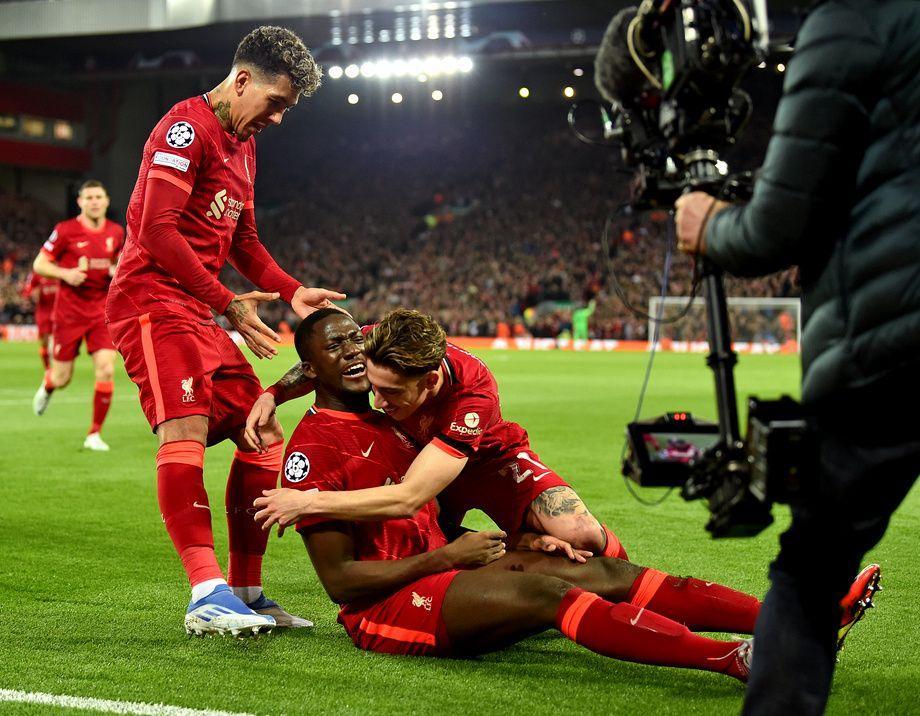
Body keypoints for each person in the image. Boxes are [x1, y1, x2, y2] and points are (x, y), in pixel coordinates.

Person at [266, 309, 876, 675]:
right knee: (549, 594)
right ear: (312, 370)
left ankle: (806, 620)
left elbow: (420, 511)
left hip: (447, 548)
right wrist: (271, 398)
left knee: (600, 566)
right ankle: (733, 660)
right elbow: (342, 585)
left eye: (354, 341)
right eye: (337, 349)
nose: (354, 354)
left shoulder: (407, 413)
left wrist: (517, 540)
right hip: (387, 608)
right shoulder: (315, 449)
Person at [673, 1, 919, 711]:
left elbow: (776, 228)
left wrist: (709, 225)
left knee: (811, 572)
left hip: (890, 348)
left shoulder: (856, 20)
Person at [104, 25, 344, 637]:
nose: (279, 117)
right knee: (183, 430)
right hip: (151, 301)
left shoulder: (245, 145)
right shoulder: (184, 130)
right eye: (276, 102)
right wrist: (229, 304)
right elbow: (156, 230)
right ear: (241, 81)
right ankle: (205, 594)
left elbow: (244, 240)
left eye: (287, 108)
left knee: (262, 432)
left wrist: (290, 290)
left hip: (198, 308)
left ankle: (246, 592)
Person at [247, 308, 628, 559]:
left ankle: (628, 581)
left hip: (488, 460)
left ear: (429, 382)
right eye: (374, 386)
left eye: (391, 392)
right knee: (418, 547)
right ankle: (518, 549)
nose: (378, 402)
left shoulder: (472, 394)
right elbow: (324, 364)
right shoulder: (380, 343)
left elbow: (408, 498)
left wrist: (308, 502)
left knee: (579, 532)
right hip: (419, 454)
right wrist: (272, 394)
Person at [31, 180, 124, 451]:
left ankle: (94, 434)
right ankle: (49, 384)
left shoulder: (116, 232)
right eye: (89, 197)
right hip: (69, 313)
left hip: (101, 311)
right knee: (62, 378)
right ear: (80, 202)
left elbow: (122, 263)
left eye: (99, 197)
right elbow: (39, 264)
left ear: (106, 201)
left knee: (106, 369)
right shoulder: (65, 230)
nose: (94, 202)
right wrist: (65, 274)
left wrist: (116, 270)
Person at [21, 270, 58, 372]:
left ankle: (57, 368)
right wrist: (33, 294)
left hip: (59, 311)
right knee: (45, 343)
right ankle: (47, 368)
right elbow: (27, 291)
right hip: (44, 313)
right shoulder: (37, 273)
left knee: (59, 342)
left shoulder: (61, 269)